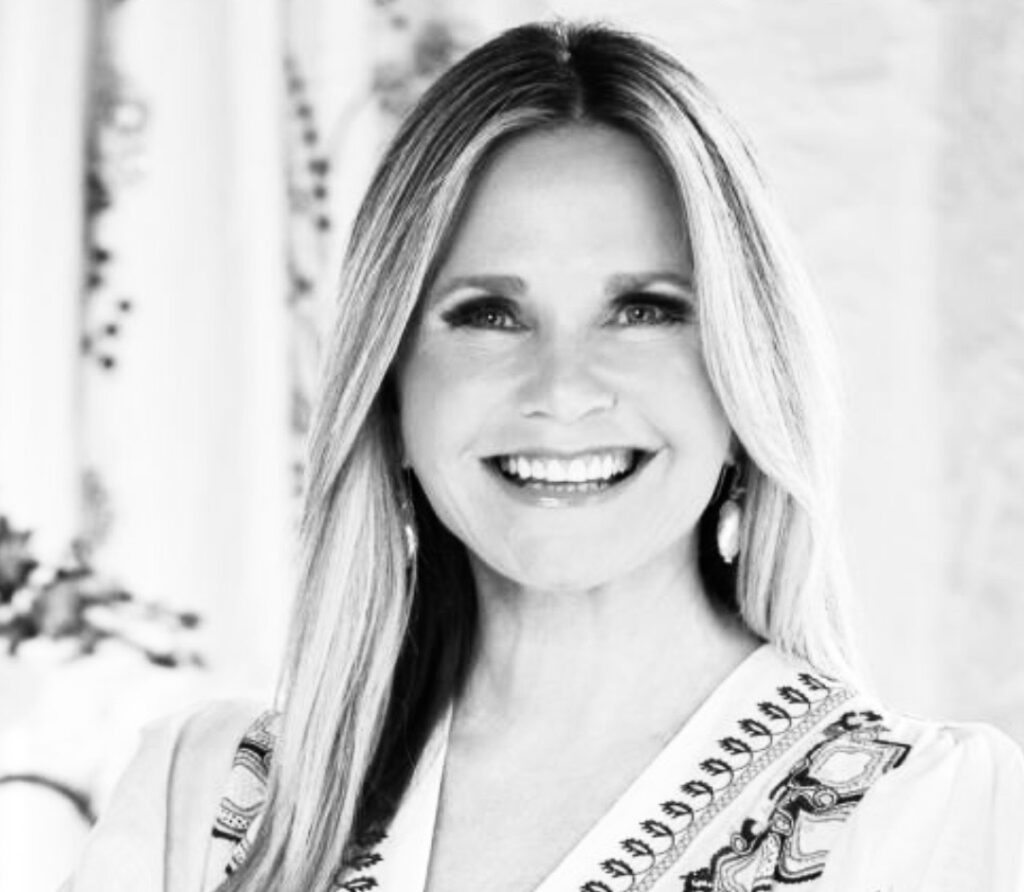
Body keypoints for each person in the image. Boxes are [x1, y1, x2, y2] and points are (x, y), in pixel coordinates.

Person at [62, 20, 1024, 892]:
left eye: (643, 309)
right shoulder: (208, 801)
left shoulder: (929, 823)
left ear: (747, 373)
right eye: (488, 314)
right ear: (390, 386)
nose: (562, 389)